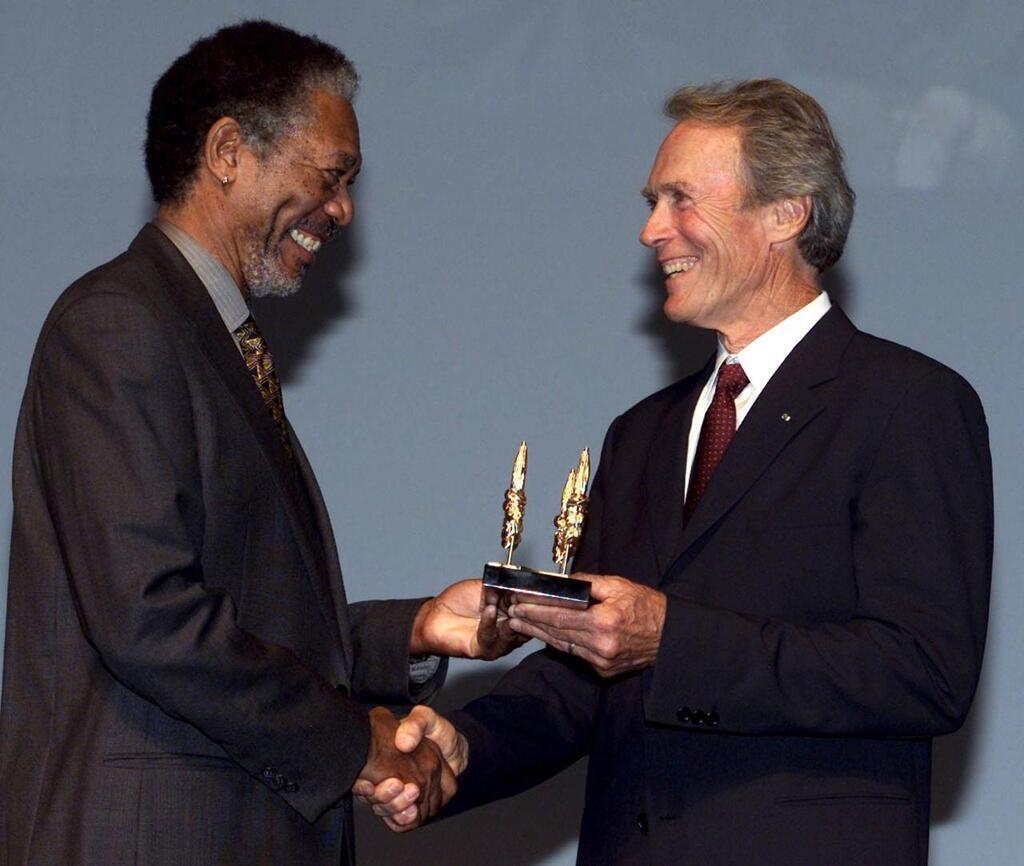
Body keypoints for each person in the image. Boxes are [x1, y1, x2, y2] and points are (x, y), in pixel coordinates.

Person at [359, 79, 994, 865]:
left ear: (785, 213)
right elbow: (582, 679)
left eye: (679, 199)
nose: (651, 229)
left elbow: (923, 671)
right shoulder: (643, 434)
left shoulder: (907, 405)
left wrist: (674, 638)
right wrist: (460, 747)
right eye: (652, 201)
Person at [0, 20, 521, 866]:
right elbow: (150, 618)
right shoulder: (120, 325)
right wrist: (361, 744)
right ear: (229, 151)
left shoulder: (204, 336)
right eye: (331, 175)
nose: (344, 210)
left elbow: (248, 615)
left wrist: (416, 631)